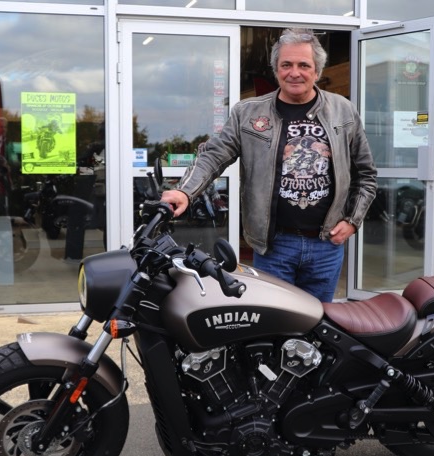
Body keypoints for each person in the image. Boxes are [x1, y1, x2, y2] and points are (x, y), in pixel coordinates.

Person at [161, 28, 377, 302]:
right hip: (274, 247)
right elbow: (214, 156)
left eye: (303, 65)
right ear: (276, 69)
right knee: (270, 328)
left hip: (326, 245)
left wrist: (352, 221)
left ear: (317, 70)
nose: (294, 72)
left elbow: (366, 175)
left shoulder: (343, 111)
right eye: (286, 64)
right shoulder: (248, 113)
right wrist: (185, 191)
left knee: (318, 326)